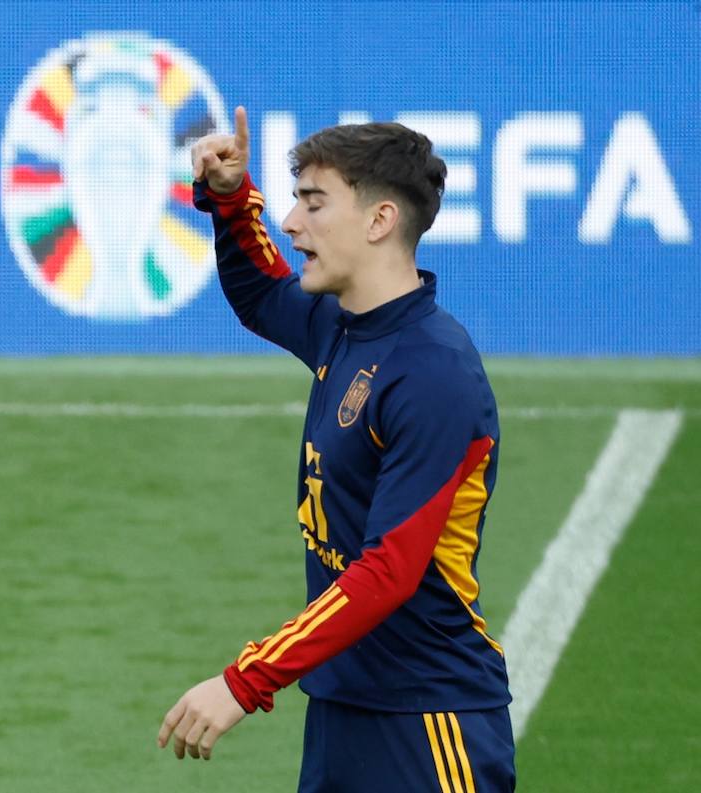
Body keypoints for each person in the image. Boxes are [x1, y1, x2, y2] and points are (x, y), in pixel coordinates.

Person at [157, 106, 514, 791]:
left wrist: (245, 681)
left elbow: (389, 572)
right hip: (344, 706)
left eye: (313, 204)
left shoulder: (433, 372)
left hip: (427, 720)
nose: (292, 223)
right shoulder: (345, 328)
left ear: (380, 220)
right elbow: (263, 293)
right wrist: (232, 199)